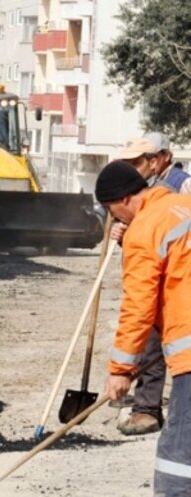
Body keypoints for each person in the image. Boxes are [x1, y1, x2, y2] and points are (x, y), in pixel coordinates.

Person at [95, 161, 191, 495]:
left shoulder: (145, 228)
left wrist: (121, 369)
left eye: (111, 211)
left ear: (121, 201)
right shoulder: (182, 205)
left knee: (179, 453)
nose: (116, 220)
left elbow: (138, 306)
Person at [110, 134, 189, 435]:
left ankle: (146, 409)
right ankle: (147, 406)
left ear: (158, 159)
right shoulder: (146, 191)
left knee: (159, 342)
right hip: (164, 281)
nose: (133, 168)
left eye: (137, 162)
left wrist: (119, 371)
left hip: (175, 288)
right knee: (152, 343)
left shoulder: (181, 185)